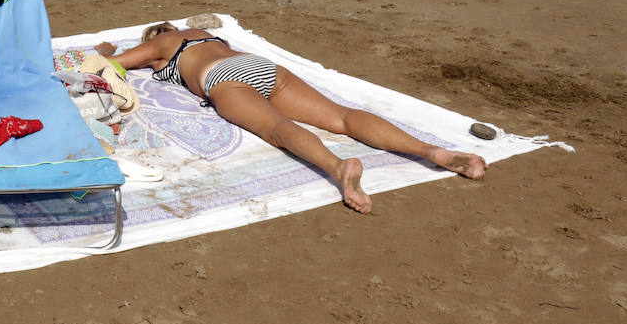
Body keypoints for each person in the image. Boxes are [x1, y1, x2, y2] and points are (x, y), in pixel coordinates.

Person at [95, 22, 486, 214]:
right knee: (343, 117)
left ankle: (338, 167)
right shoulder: (206, 35)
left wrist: (108, 48)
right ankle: (433, 151)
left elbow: (110, 64)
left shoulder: (163, 42)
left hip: (223, 80)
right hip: (258, 66)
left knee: (280, 129)